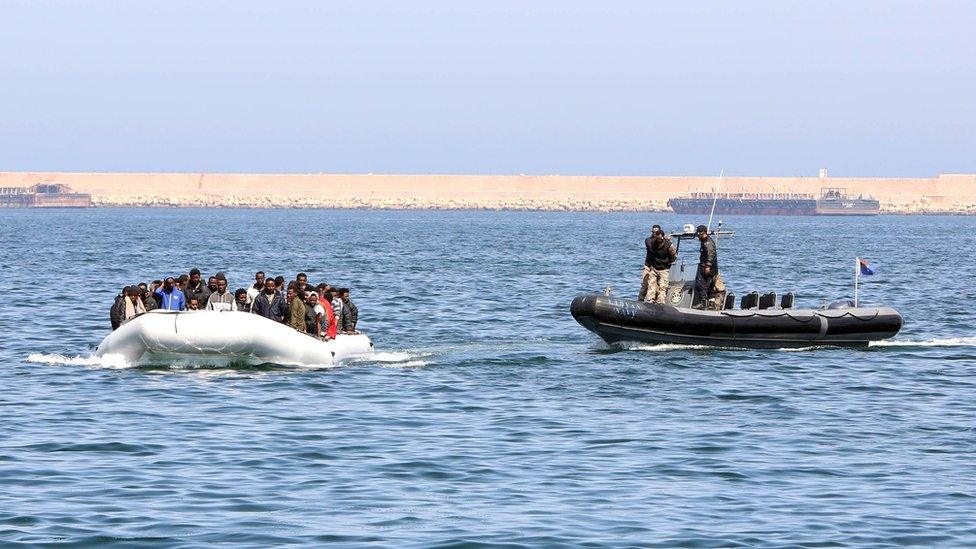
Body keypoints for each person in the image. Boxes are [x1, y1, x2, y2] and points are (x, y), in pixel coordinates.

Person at [638, 225, 677, 304]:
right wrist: (660, 239)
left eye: (656, 232)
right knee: (646, 285)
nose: (654, 233)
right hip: (650, 265)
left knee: (661, 286)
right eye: (653, 232)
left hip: (662, 267)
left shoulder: (667, 244)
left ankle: (659, 302)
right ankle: (641, 301)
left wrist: (669, 261)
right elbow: (650, 248)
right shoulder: (650, 241)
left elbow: (673, 255)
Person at [694, 225, 725, 310]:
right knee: (710, 286)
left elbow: (711, 255)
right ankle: (711, 304)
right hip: (709, 268)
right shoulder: (704, 241)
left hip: (708, 268)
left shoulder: (708, 243)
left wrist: (708, 266)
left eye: (698, 234)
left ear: (703, 233)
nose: (698, 237)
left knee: (701, 284)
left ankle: (703, 303)